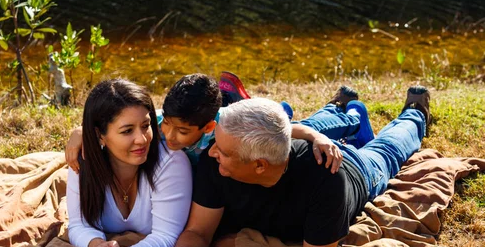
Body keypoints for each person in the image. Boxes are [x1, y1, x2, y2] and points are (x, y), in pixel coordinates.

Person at [172, 86, 431, 247]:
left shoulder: (326, 181)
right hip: (296, 143)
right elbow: (197, 232)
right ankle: (340, 106)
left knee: (390, 147)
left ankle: (415, 113)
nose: (213, 152)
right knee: (309, 126)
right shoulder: (216, 161)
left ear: (259, 165)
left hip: (357, 168)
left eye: (223, 151)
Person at [66, 73, 357, 173]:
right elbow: (117, 123)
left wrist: (317, 138)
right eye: (166, 124)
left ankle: (347, 114)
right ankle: (337, 107)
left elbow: (288, 131)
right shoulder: (156, 126)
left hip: (255, 122)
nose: (168, 136)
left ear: (206, 129)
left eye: (181, 132)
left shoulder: (222, 133)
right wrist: (80, 132)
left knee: (297, 124)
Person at [66, 79, 192, 247]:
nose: (141, 139)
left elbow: (167, 237)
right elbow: (78, 224)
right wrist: (96, 246)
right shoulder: (83, 162)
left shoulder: (171, 162)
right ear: (100, 135)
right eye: (127, 131)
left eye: (145, 126)